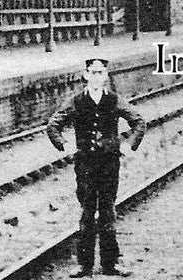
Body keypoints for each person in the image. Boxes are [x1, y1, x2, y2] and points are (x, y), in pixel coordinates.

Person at [47, 58, 147, 277]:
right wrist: (65, 145)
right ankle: (84, 265)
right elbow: (53, 125)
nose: (96, 77)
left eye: (100, 73)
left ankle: (110, 264)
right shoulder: (75, 101)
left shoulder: (114, 100)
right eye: (92, 73)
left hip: (109, 165)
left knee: (108, 212)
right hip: (85, 166)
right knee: (87, 213)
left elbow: (139, 122)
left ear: (105, 75)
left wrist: (130, 146)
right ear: (85, 75)